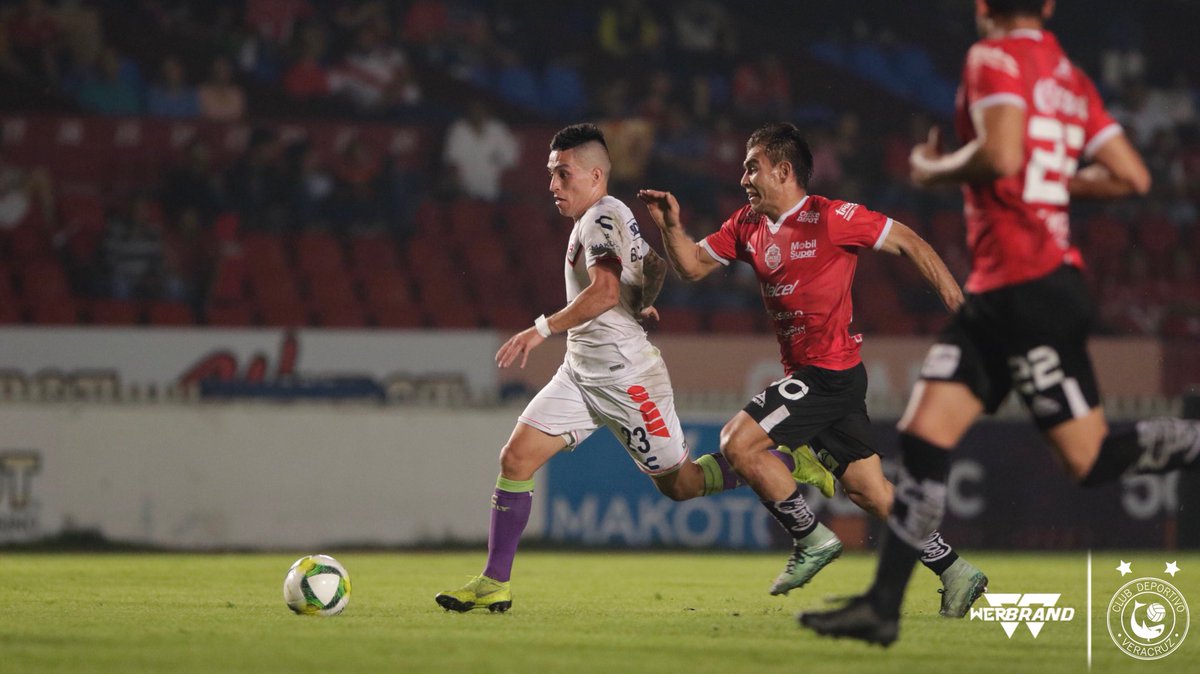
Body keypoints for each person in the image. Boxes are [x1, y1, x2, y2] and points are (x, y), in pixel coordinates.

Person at [800, 0, 1200, 646]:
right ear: (1047, 7)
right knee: (928, 437)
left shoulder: (991, 58)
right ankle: (881, 606)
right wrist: (1051, 181)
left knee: (1086, 456)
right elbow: (1132, 175)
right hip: (1019, 291)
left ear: (983, 8)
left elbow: (1002, 153)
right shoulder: (1070, 78)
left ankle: (881, 604)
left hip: (1023, 286)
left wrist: (936, 169)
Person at [435, 123, 828, 614]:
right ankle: (496, 582)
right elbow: (654, 269)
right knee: (515, 460)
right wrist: (640, 302)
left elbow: (601, 291)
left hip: (627, 380)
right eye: (550, 174)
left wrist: (539, 328)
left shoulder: (603, 217)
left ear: (596, 174)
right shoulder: (605, 218)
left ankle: (793, 459)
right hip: (580, 373)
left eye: (563, 174)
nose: (553, 185)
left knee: (681, 485)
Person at [637, 121, 987, 616]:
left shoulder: (833, 216)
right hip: (816, 377)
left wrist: (959, 306)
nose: (743, 178)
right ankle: (955, 570)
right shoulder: (747, 225)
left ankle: (810, 537)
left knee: (738, 441)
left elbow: (909, 240)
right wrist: (670, 226)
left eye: (751, 167)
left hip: (830, 375)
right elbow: (692, 266)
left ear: (783, 170)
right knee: (870, 491)